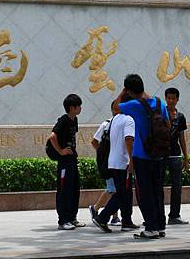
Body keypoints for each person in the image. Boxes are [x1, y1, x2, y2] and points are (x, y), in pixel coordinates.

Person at [118, 74, 169, 239]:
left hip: (142, 155)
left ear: (129, 91)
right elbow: (167, 124)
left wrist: (123, 91)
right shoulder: (160, 103)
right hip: (159, 155)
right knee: (157, 191)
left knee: (145, 193)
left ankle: (151, 228)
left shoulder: (135, 105)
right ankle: (160, 226)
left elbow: (116, 107)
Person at [91, 96, 139, 233]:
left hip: (113, 162)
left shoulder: (114, 119)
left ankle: (127, 221)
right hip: (123, 162)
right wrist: (132, 160)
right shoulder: (129, 120)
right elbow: (129, 140)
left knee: (126, 193)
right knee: (122, 193)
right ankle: (102, 217)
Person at [49, 94, 85, 230]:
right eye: (78, 106)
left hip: (72, 159)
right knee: (64, 190)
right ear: (71, 108)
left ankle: (72, 218)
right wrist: (60, 151)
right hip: (64, 161)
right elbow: (52, 136)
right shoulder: (63, 120)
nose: (80, 108)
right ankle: (63, 220)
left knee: (74, 189)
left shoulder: (74, 120)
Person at [90, 103, 123, 227]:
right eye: (117, 109)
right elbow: (94, 141)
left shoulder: (122, 124)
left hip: (117, 162)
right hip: (108, 163)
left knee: (114, 189)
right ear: (112, 110)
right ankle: (97, 208)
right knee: (112, 189)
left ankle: (113, 216)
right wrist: (102, 155)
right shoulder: (106, 124)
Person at [163, 87, 189, 225]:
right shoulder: (160, 114)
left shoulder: (180, 117)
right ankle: (157, 216)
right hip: (161, 155)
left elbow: (182, 138)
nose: (171, 100)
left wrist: (186, 157)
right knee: (157, 185)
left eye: (173, 98)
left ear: (177, 99)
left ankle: (174, 216)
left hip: (175, 155)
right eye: (169, 98)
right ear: (165, 99)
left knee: (177, 186)